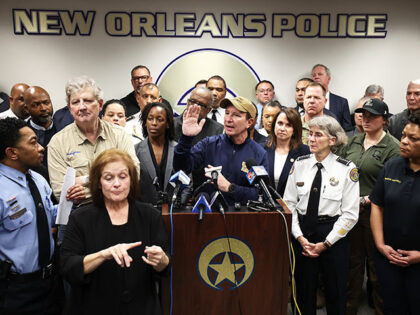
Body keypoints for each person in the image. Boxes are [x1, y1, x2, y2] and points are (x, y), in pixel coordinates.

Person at [60, 148, 169, 315]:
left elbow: (164, 266)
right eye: (109, 178)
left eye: (123, 177)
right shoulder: (80, 218)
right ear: (98, 183)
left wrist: (162, 260)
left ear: (132, 180)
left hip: (141, 308)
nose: (117, 183)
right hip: (93, 307)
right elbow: (68, 267)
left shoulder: (150, 215)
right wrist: (104, 255)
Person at [283, 115, 359, 315]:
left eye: (318, 135)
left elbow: (350, 214)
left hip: (333, 236)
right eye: (310, 134)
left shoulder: (346, 169)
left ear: (332, 140)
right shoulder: (299, 164)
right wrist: (299, 237)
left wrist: (326, 243)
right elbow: (289, 204)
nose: (311, 139)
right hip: (303, 233)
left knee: (336, 292)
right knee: (304, 292)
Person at [339, 98, 400, 315]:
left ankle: (382, 310)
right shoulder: (353, 142)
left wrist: (366, 199)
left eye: (372, 116)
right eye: (363, 114)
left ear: (384, 120)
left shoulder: (392, 147)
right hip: (350, 212)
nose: (366, 119)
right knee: (352, 265)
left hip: (376, 214)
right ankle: (349, 309)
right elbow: (340, 171)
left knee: (376, 268)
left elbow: (390, 183)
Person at [48, 75, 139, 206]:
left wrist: (82, 181)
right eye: (75, 102)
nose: (82, 107)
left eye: (88, 101)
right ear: (69, 108)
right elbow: (60, 192)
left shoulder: (120, 135)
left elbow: (134, 175)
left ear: (100, 104)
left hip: (118, 206)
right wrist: (111, 178)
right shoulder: (57, 143)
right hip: (79, 213)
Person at [0, 117, 60, 314]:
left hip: (50, 281)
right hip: (16, 288)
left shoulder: (38, 178)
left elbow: (49, 217)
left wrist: (71, 202)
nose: (41, 148)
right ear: (12, 153)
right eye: (33, 142)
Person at [174, 96, 268, 206]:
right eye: (227, 113)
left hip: (241, 218)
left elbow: (262, 195)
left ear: (249, 122)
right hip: (209, 216)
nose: (228, 119)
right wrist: (186, 138)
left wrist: (230, 188)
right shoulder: (209, 144)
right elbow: (181, 167)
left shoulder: (258, 153)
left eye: (236, 115)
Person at [370, 110, 420, 314]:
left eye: (413, 138)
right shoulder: (392, 166)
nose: (404, 141)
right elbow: (376, 204)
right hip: (389, 257)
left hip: (418, 261)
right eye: (403, 136)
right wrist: (381, 245)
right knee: (392, 306)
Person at [135, 102, 190, 207]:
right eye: (150, 119)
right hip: (145, 212)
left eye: (159, 119)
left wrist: (180, 204)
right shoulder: (135, 150)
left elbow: (188, 181)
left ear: (168, 123)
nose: (154, 123)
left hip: (173, 213)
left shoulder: (179, 150)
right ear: (145, 122)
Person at [265, 107, 310, 197]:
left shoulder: (305, 152)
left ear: (294, 130)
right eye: (280, 123)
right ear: (274, 125)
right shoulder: (261, 149)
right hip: (265, 208)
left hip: (292, 207)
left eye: (288, 125)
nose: (282, 128)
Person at [24, 86, 58, 169]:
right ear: (26, 109)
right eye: (36, 105)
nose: (43, 108)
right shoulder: (22, 134)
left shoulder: (63, 128)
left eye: (46, 103)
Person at [311, 64, 351, 130]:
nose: (316, 77)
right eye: (313, 75)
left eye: (320, 74)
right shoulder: (308, 102)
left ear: (328, 79)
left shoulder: (341, 102)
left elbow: (348, 129)